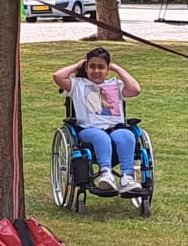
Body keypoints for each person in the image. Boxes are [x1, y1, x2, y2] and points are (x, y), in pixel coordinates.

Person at [53, 47, 143, 194]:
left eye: (101, 67)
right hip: (88, 130)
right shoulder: (78, 84)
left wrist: (117, 68)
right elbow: (58, 76)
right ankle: (106, 173)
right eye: (92, 66)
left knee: (127, 135)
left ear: (108, 69)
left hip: (114, 129)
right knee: (101, 137)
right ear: (86, 67)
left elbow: (135, 89)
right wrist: (77, 65)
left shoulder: (115, 84)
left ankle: (127, 177)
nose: (96, 71)